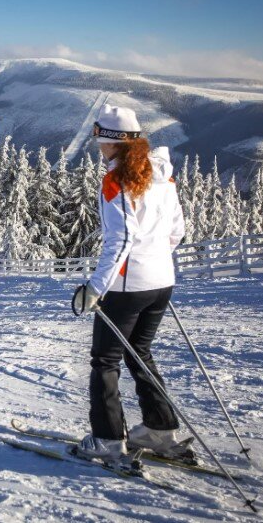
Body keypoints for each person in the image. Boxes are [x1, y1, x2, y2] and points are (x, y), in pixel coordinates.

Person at [72, 104, 187, 463]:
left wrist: (96, 287)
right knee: (141, 353)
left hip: (127, 286)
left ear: (111, 143)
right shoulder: (161, 174)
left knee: (105, 359)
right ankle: (160, 431)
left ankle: (108, 440)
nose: (99, 149)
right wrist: (153, 259)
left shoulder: (115, 181)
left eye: (100, 142)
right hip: (161, 281)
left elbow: (120, 239)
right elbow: (177, 231)